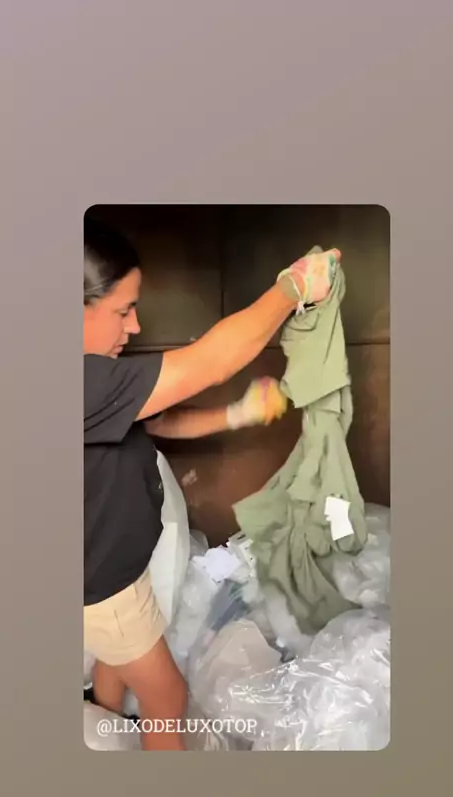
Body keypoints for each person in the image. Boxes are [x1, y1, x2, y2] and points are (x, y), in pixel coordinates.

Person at [83, 213, 341, 750]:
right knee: (167, 698)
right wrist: (293, 286)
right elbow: (213, 361)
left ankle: (102, 724)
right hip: (104, 588)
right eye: (123, 310)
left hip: (115, 571)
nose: (135, 327)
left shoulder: (99, 380)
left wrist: (238, 414)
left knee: (116, 658)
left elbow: (159, 420)